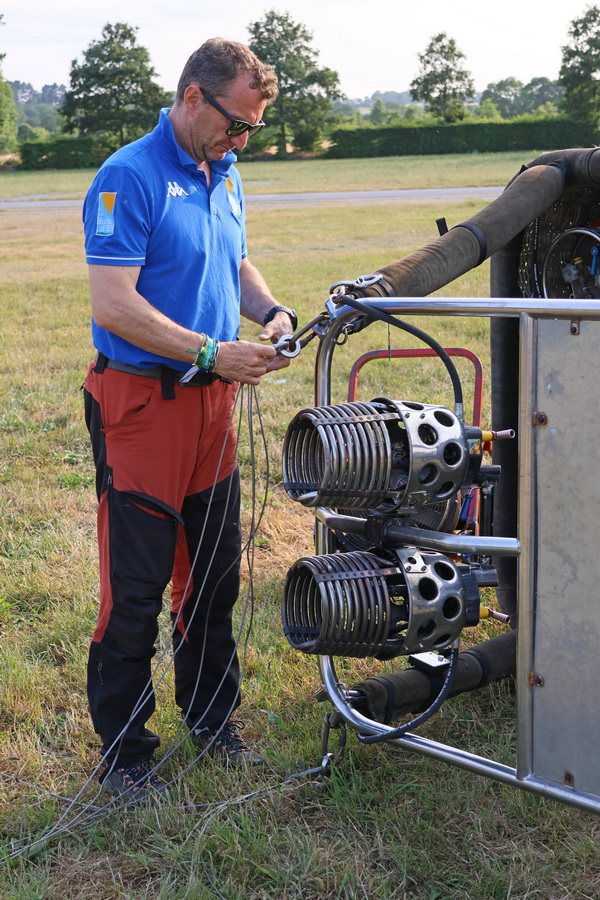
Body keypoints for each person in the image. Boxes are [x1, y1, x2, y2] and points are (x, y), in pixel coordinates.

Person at [82, 38, 298, 801]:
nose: (243, 140)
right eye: (236, 123)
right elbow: (114, 304)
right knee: (135, 590)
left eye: (253, 129)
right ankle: (127, 754)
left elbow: (234, 260)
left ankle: (211, 717)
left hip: (215, 410)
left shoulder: (224, 172)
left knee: (211, 577)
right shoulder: (128, 176)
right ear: (194, 98)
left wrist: (269, 312)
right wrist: (212, 353)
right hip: (142, 406)